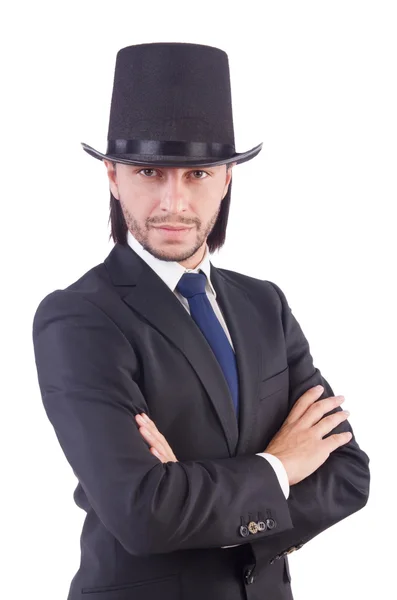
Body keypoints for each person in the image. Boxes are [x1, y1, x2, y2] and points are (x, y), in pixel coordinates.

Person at [32, 42, 370, 600]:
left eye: (198, 173)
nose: (174, 202)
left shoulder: (265, 304)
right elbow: (143, 514)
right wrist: (280, 465)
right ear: (113, 176)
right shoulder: (78, 319)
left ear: (228, 178)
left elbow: (349, 474)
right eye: (149, 171)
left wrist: (193, 496)